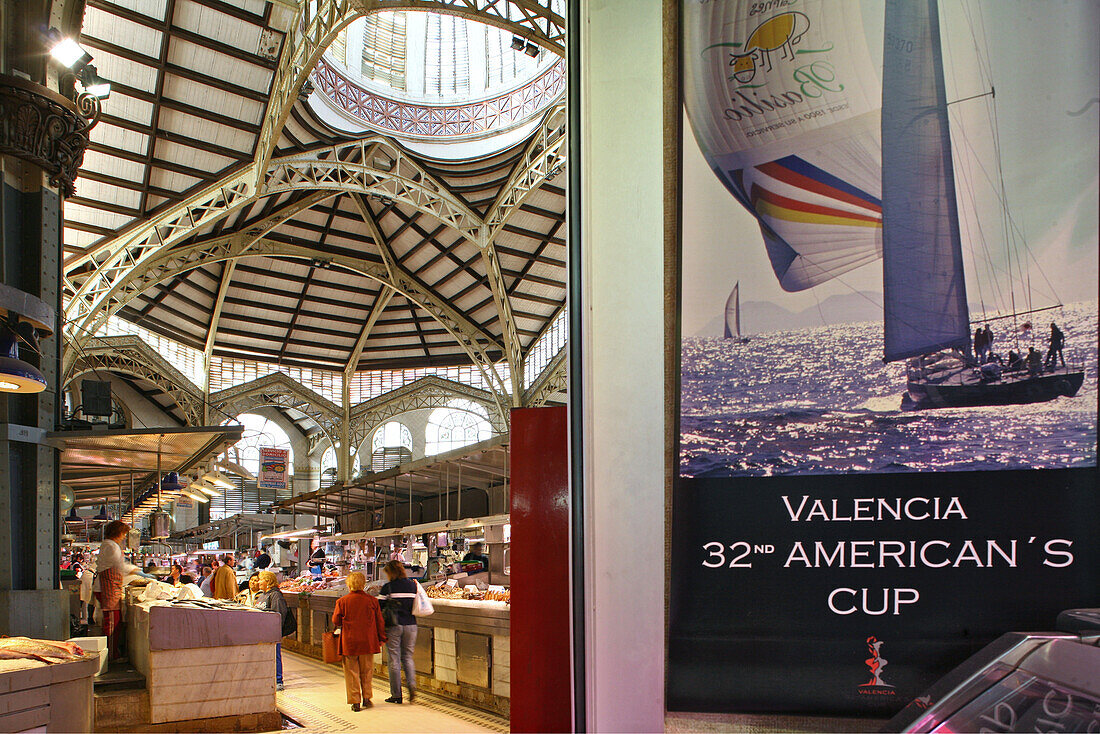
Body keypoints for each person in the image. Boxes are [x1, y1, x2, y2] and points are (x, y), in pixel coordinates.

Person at [94, 520, 151, 659]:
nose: (124, 537)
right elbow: (120, 566)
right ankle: (111, 655)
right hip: (106, 589)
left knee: (113, 621)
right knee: (112, 623)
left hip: (107, 588)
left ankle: (111, 652)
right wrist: (138, 571)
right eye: (124, 534)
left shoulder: (109, 545)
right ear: (118, 532)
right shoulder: (111, 546)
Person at [332, 571, 387, 711]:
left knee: (351, 672)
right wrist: (382, 638)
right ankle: (367, 698)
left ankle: (355, 701)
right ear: (363, 584)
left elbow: (335, 620)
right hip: (368, 641)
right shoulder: (372, 601)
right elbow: (380, 622)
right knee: (367, 671)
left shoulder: (342, 601)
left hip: (349, 642)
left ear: (349, 584)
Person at [379, 560, 418, 704]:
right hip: (411, 625)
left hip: (394, 625)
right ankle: (412, 686)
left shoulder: (388, 587)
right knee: (407, 657)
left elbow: (379, 606)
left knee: (394, 659)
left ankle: (396, 695)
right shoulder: (412, 585)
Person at [255, 570, 295, 691]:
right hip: (262, 632)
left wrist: (274, 630)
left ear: (268, 581)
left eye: (261, 579)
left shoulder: (276, 595)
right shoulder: (262, 595)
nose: (258, 582)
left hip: (272, 632)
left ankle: (278, 680)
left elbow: (278, 614)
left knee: (275, 655)